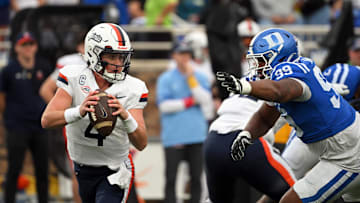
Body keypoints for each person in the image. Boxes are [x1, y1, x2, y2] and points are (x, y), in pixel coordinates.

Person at [216, 28, 360, 202]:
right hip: (337, 150)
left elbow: (279, 91)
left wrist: (245, 87)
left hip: (347, 154)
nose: (257, 67)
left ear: (280, 57)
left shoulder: (291, 74)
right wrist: (247, 135)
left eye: (261, 61)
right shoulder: (283, 79)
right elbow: (264, 117)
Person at [41, 23, 148, 203]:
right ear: (93, 53)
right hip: (83, 169)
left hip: (115, 170)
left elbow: (142, 142)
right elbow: (47, 120)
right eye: (112, 56)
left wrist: (125, 116)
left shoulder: (133, 88)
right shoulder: (74, 77)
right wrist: (78, 111)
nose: (118, 63)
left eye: (122, 57)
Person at [204, 93, 296, 203]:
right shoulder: (286, 81)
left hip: (214, 141)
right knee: (296, 195)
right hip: (248, 139)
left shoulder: (248, 79)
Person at [156, 41, 213, 203]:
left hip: (196, 134)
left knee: (196, 177)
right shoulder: (166, 78)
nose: (184, 58)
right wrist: (187, 102)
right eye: (181, 54)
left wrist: (191, 79)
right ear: (174, 56)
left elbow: (205, 100)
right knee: (171, 177)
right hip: (174, 135)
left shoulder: (199, 76)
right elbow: (164, 106)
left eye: (187, 54)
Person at [0, 31, 51, 203]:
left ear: (35, 46)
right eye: (24, 45)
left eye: (30, 44)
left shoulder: (44, 67)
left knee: (42, 169)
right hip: (17, 126)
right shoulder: (9, 70)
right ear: (17, 48)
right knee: (14, 168)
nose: (28, 48)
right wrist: (8, 118)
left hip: (40, 125)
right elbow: (2, 97)